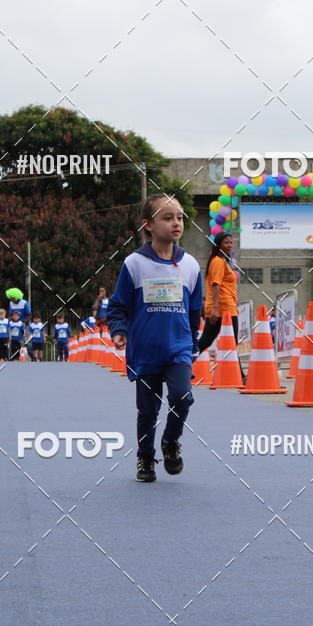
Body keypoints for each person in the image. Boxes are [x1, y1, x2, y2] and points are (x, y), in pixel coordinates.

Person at [107, 193, 202, 483]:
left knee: (182, 398)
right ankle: (145, 458)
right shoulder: (134, 264)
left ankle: (171, 442)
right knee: (148, 411)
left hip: (179, 348)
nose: (176, 223)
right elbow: (117, 306)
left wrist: (192, 340)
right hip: (145, 350)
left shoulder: (190, 265)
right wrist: (120, 331)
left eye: (180, 217)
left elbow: (195, 309)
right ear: (148, 224)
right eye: (167, 217)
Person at [198, 231, 240, 349]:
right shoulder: (218, 261)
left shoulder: (223, 261)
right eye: (226, 242)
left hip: (227, 307)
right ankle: (182, 362)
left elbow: (226, 287)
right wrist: (215, 309)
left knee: (206, 341)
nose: (230, 245)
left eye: (231, 243)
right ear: (218, 244)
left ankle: (183, 362)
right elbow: (215, 285)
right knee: (231, 342)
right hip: (223, 308)